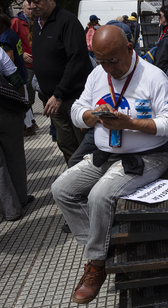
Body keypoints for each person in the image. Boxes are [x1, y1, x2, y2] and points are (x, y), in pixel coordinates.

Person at [51, 26, 168, 304]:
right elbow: (77, 109)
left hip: (148, 157)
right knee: (61, 188)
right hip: (103, 153)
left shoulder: (153, 77)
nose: (108, 68)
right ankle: (101, 247)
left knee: (101, 195)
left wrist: (130, 124)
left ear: (129, 48)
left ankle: (96, 264)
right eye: (101, 60)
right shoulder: (98, 73)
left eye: (114, 60)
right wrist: (92, 116)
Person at [30, 0, 93, 164]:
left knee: (83, 144)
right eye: (29, 1)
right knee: (65, 143)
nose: (32, 5)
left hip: (72, 97)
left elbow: (76, 60)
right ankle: (74, 180)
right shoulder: (37, 24)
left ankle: (91, 182)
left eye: (36, 1)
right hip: (51, 99)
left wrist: (59, 93)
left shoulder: (67, 21)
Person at [0, 47, 33, 221]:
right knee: (15, 155)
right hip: (6, 111)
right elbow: (16, 80)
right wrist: (21, 109)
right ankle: (20, 199)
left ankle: (8, 208)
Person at [0, 13, 36, 137]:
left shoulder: (5, 38)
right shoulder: (12, 34)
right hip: (21, 70)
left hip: (15, 74)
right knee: (24, 98)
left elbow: (9, 58)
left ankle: (28, 126)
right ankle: (31, 123)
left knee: (21, 99)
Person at [11, 0, 36, 111]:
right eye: (28, 9)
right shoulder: (16, 22)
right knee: (28, 85)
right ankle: (27, 111)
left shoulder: (38, 21)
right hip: (26, 63)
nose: (31, 11)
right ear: (23, 9)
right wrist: (21, 54)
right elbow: (11, 42)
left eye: (32, 9)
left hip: (40, 61)